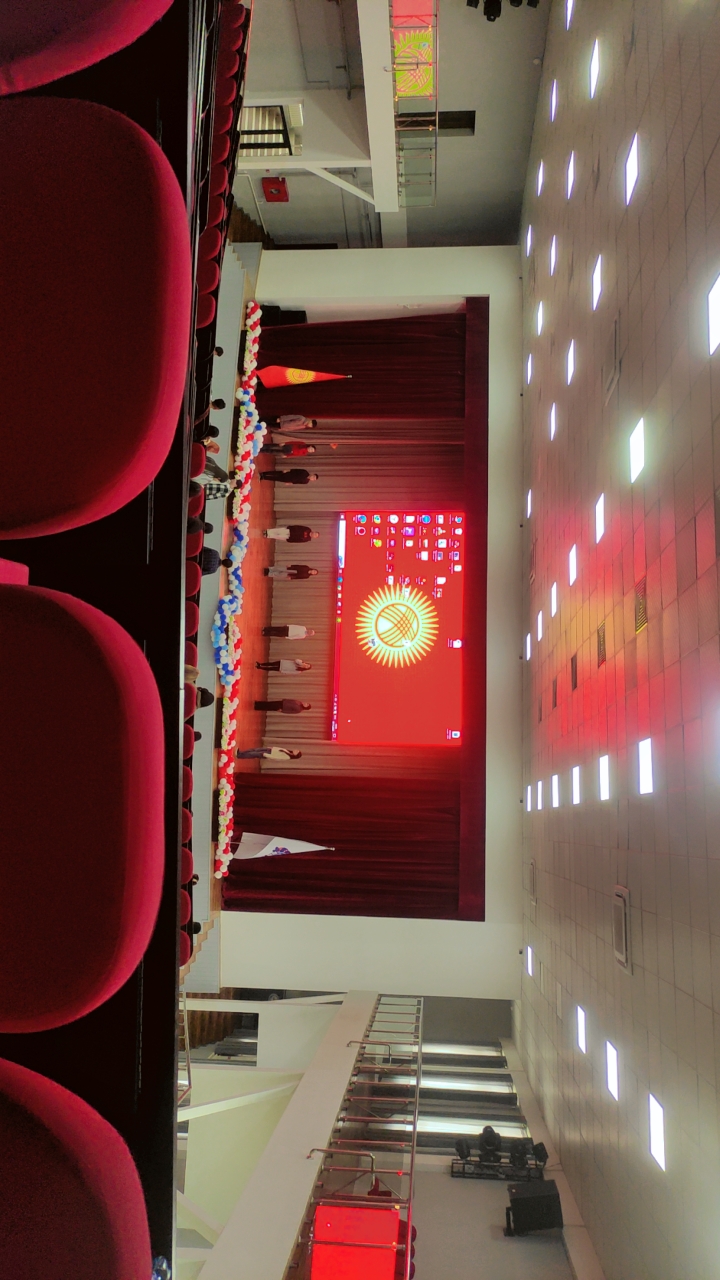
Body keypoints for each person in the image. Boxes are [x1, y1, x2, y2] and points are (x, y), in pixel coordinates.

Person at [236, 746, 303, 759]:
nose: (296, 750)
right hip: (270, 750)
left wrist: (265, 754)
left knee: (252, 754)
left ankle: (240, 755)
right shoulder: (288, 751)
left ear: (295, 755)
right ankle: (241, 753)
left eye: (297, 752)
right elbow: (279, 749)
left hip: (268, 754)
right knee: (254, 750)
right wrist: (271, 747)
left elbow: (276, 757)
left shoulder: (287, 756)